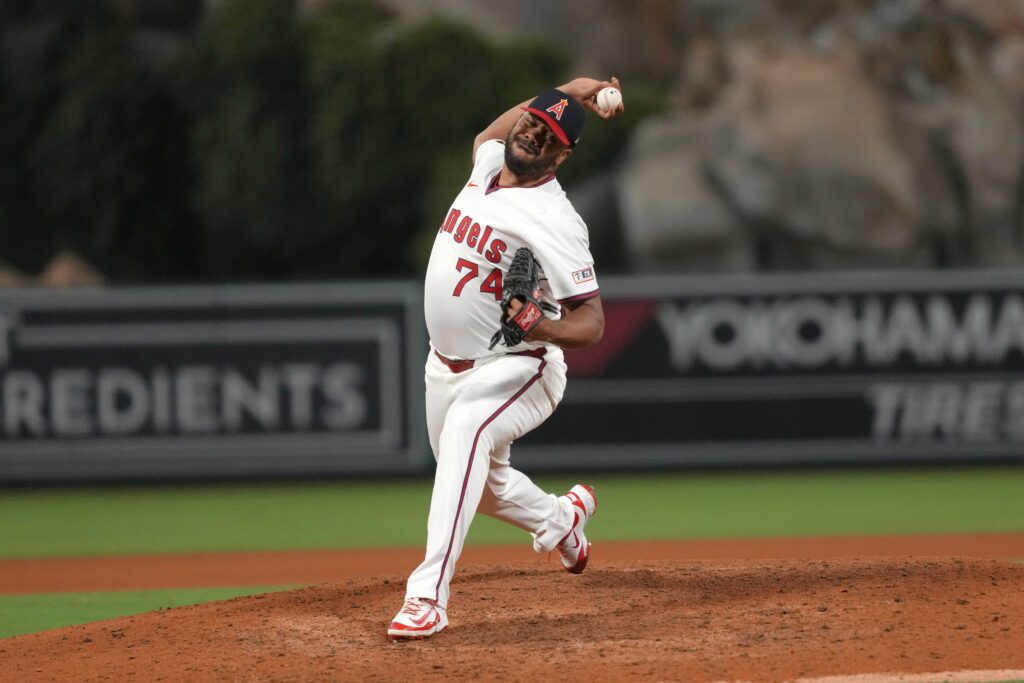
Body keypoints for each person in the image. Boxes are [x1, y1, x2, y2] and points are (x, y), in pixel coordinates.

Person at [387, 77, 625, 639]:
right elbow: (489, 131)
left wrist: (539, 324)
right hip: (443, 366)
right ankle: (561, 519)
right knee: (480, 484)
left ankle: (427, 597)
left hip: (523, 365)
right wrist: (568, 90)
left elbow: (592, 323)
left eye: (551, 135)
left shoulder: (557, 220)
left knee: (467, 432)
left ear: (564, 154)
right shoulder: (489, 161)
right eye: (534, 122)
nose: (534, 135)